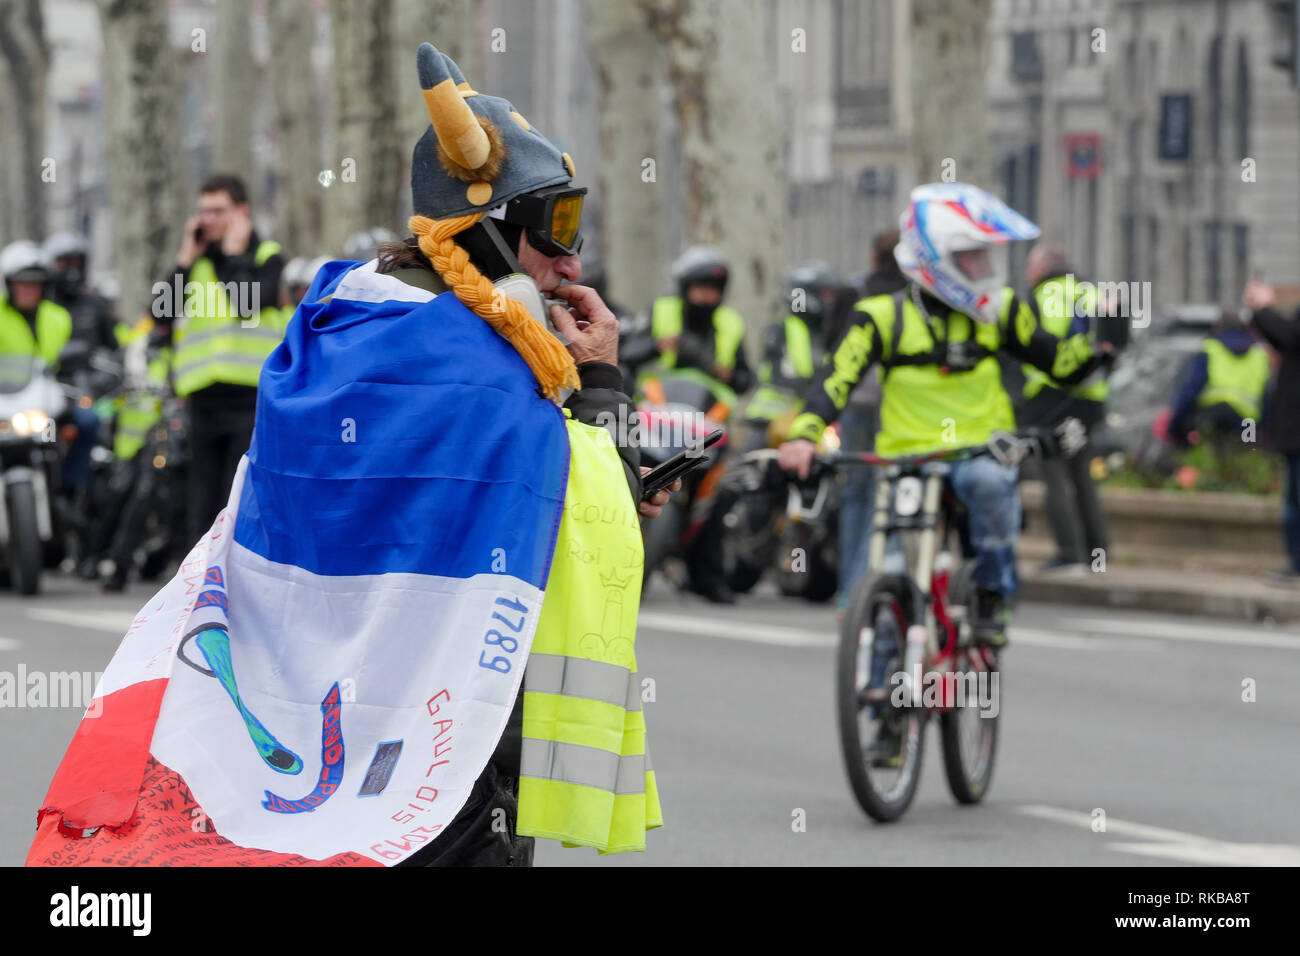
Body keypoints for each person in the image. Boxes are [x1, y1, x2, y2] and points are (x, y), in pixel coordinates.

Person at [27, 41, 673, 869]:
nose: (573, 261)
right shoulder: (486, 363)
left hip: (317, 706)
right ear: (490, 232)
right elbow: (595, 519)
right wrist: (604, 384)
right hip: (445, 746)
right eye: (557, 227)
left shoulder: (341, 320)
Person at [778, 183, 1110, 648]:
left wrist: (1103, 345)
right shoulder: (879, 316)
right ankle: (880, 678)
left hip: (980, 449)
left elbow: (1060, 364)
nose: (986, 269)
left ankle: (992, 595)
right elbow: (835, 379)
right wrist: (804, 436)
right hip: (906, 460)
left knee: (991, 485)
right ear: (935, 259)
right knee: (892, 569)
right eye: (973, 258)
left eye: (985, 256)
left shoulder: (1001, 310)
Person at [154, 173, 287, 546]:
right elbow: (160, 313)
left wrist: (232, 255)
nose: (206, 220)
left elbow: (248, 304)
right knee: (202, 498)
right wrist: (183, 259)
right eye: (202, 212)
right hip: (203, 399)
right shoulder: (196, 263)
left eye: (217, 211)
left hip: (250, 399)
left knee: (238, 494)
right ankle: (198, 586)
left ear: (242, 212)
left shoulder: (267, 257)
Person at [1019, 242, 1121, 572]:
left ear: (1040, 268)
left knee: (1054, 478)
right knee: (1083, 477)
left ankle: (1069, 553)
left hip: (1053, 400)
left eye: (1029, 266)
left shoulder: (1043, 297)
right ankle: (1098, 553)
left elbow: (1039, 348)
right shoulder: (1089, 292)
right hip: (1089, 400)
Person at [837, 230, 908, 606]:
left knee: (855, 496)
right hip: (896, 407)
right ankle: (870, 585)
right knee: (887, 498)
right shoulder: (911, 297)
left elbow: (834, 347)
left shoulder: (853, 292)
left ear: (873, 258)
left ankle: (848, 594)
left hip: (853, 402)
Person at [0, 240, 100, 498]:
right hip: (6, 406)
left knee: (87, 421)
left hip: (46, 407)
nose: (28, 289)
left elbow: (70, 360)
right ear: (10, 285)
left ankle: (72, 487)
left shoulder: (58, 317)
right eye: (21, 283)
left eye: (34, 283)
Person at [740, 262, 840, 453]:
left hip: (811, 418)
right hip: (770, 419)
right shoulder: (781, 330)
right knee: (746, 469)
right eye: (826, 295)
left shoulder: (828, 331)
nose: (830, 301)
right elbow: (782, 372)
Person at [1243, 278, 1300, 585]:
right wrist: (1260, 311)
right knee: (1292, 504)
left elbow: (1291, 338)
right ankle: (1295, 564)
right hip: (1293, 430)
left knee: (1295, 504)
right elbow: (1285, 341)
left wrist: (1265, 308)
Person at [1167, 307, 1270, 450]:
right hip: (1247, 423)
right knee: (1247, 457)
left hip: (1211, 417)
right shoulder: (1258, 355)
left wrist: (1175, 426)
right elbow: (1267, 397)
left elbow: (1191, 389)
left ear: (1218, 327)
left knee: (1202, 457)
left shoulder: (1210, 348)